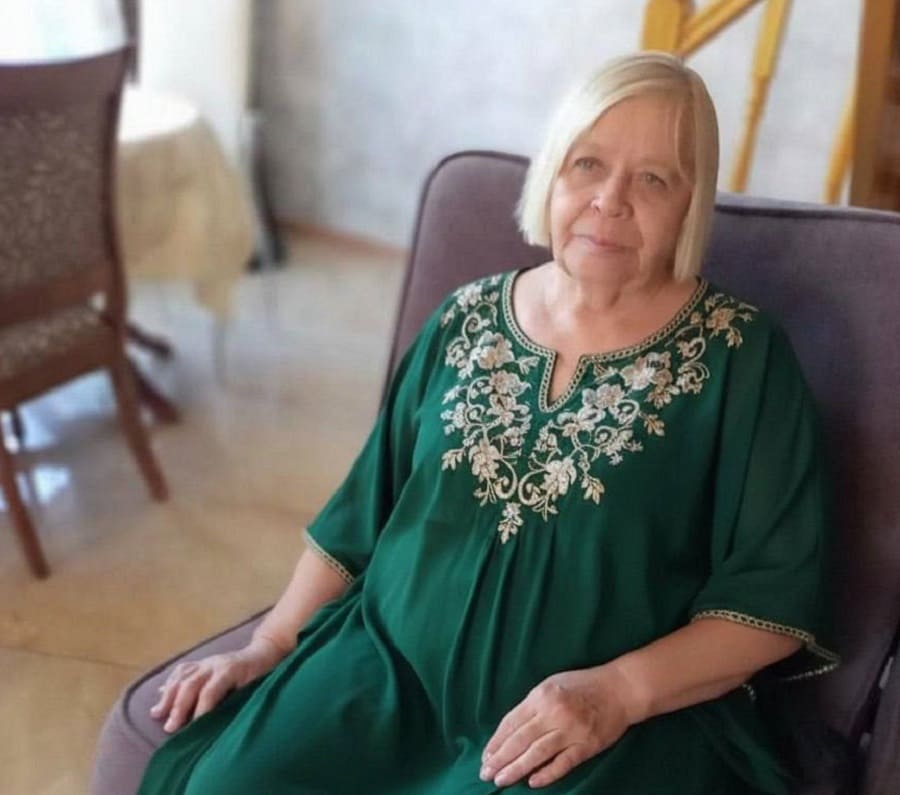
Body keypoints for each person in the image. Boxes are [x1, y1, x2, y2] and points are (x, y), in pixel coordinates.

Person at [137, 52, 838, 794]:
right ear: (552, 173)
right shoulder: (465, 317)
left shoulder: (742, 357)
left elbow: (772, 602)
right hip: (385, 675)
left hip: (591, 726)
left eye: (654, 179)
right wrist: (270, 643)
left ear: (693, 204)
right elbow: (361, 516)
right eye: (588, 164)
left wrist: (618, 693)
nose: (610, 201)